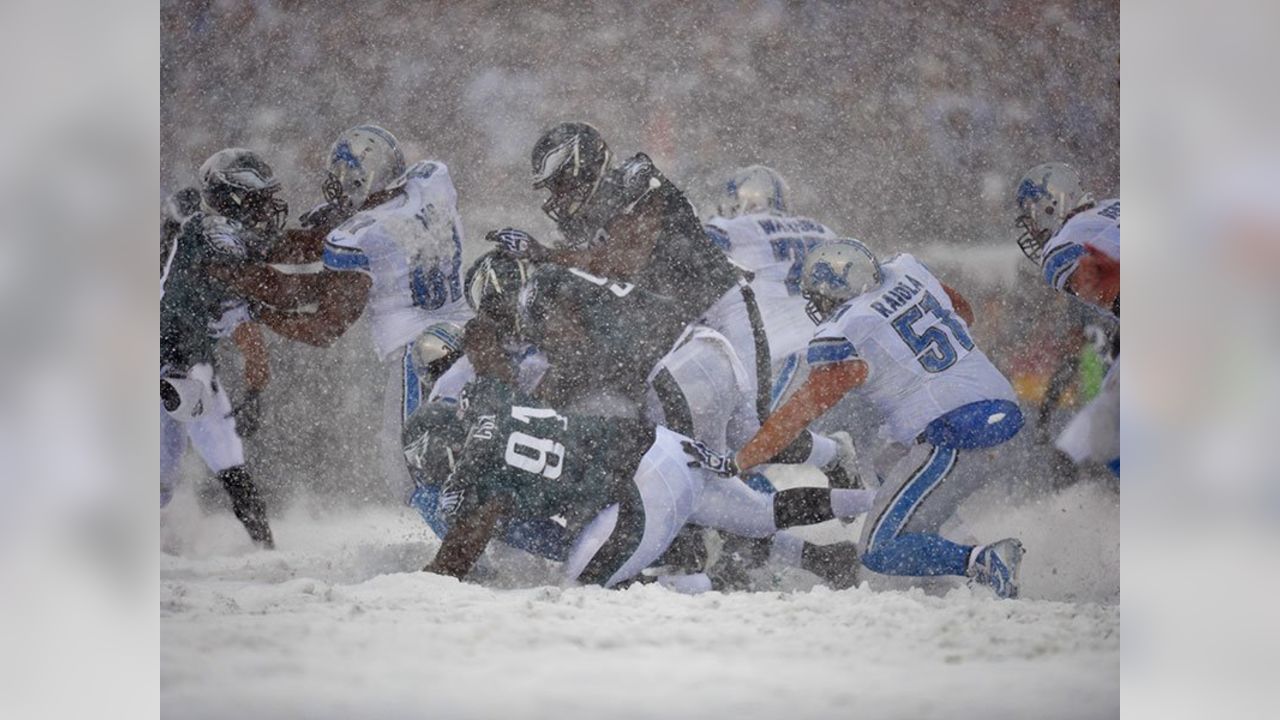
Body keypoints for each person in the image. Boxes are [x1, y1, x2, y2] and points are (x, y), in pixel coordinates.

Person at [686, 239, 1027, 598]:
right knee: (889, 462)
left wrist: (740, 460)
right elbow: (962, 311)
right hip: (1002, 408)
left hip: (957, 431)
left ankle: (983, 561)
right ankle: (945, 555)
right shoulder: (905, 270)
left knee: (879, 549)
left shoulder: (850, 328)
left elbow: (797, 414)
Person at [214, 124, 473, 509]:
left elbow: (324, 326)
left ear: (361, 178)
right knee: (469, 444)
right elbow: (386, 239)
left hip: (418, 358)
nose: (336, 186)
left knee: (410, 467)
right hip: (469, 342)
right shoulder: (432, 180)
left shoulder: (356, 236)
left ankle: (461, 552)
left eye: (342, 177)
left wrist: (259, 309)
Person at [418, 372, 868, 591]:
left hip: (643, 483)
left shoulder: (473, 472)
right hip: (665, 444)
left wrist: (427, 578)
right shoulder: (488, 402)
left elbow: (459, 552)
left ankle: (706, 582)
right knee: (761, 515)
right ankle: (872, 499)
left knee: (586, 588)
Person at [160, 150, 285, 549]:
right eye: (258, 198)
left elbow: (242, 325)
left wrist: (255, 388)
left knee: (226, 460)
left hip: (188, 366)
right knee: (168, 474)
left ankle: (267, 551)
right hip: (159, 362)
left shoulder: (210, 232)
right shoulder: (214, 235)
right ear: (232, 197)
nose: (267, 208)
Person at [1013, 162, 1119, 476]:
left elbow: (1104, 291)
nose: (1032, 229)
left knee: (1107, 428)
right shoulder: (1114, 206)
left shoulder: (1064, 245)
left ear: (1051, 205)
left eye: (1033, 215)